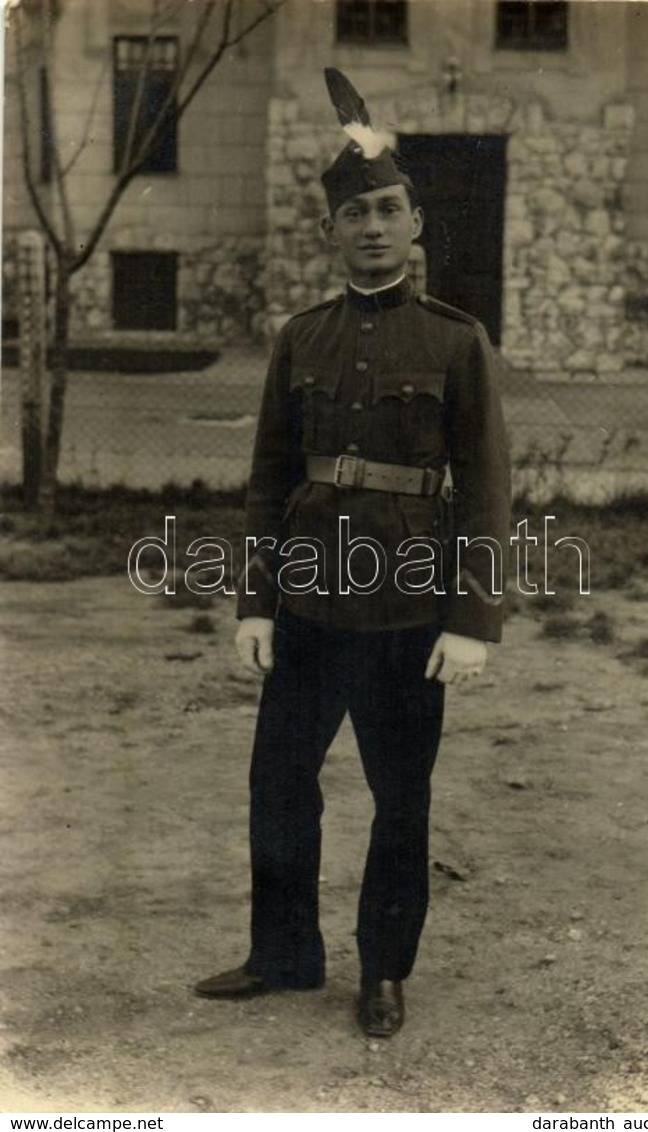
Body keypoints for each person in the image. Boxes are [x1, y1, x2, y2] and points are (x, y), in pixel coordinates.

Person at [194, 70, 511, 1038]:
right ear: (329, 231)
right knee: (278, 784)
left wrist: (471, 621)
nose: (370, 227)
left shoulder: (457, 343)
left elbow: (488, 490)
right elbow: (265, 482)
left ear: (413, 223)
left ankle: (383, 971)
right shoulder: (299, 340)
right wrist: (253, 603)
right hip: (303, 611)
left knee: (398, 799)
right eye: (351, 214)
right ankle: (284, 952)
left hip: (406, 614)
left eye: (385, 209)